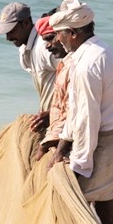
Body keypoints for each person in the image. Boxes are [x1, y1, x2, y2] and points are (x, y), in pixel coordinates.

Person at [49, 0, 113, 224]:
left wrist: (80, 164)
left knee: (75, 206)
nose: (58, 40)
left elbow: (86, 119)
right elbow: (77, 113)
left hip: (102, 143)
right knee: (108, 208)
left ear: (73, 32)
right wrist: (62, 147)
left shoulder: (86, 65)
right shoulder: (102, 50)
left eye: (60, 35)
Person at [0, 2, 57, 131]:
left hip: (62, 117)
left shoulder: (44, 47)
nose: (8, 37)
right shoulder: (25, 49)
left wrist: (52, 113)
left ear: (26, 23)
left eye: (11, 30)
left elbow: (75, 75)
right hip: (51, 118)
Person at [31, 16, 71, 162]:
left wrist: (57, 151)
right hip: (60, 134)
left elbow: (73, 112)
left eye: (50, 38)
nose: (47, 46)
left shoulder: (76, 66)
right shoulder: (64, 65)